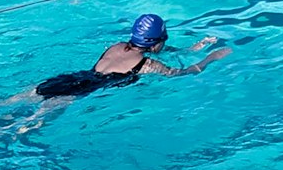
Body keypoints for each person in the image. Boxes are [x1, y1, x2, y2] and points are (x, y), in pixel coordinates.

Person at [32, 13, 230, 104]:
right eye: (164, 38)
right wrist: (211, 58)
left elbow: (164, 48)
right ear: (155, 43)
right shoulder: (148, 64)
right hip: (80, 91)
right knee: (27, 123)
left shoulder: (117, 46)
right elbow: (183, 73)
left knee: (20, 98)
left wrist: (198, 45)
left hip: (67, 78)